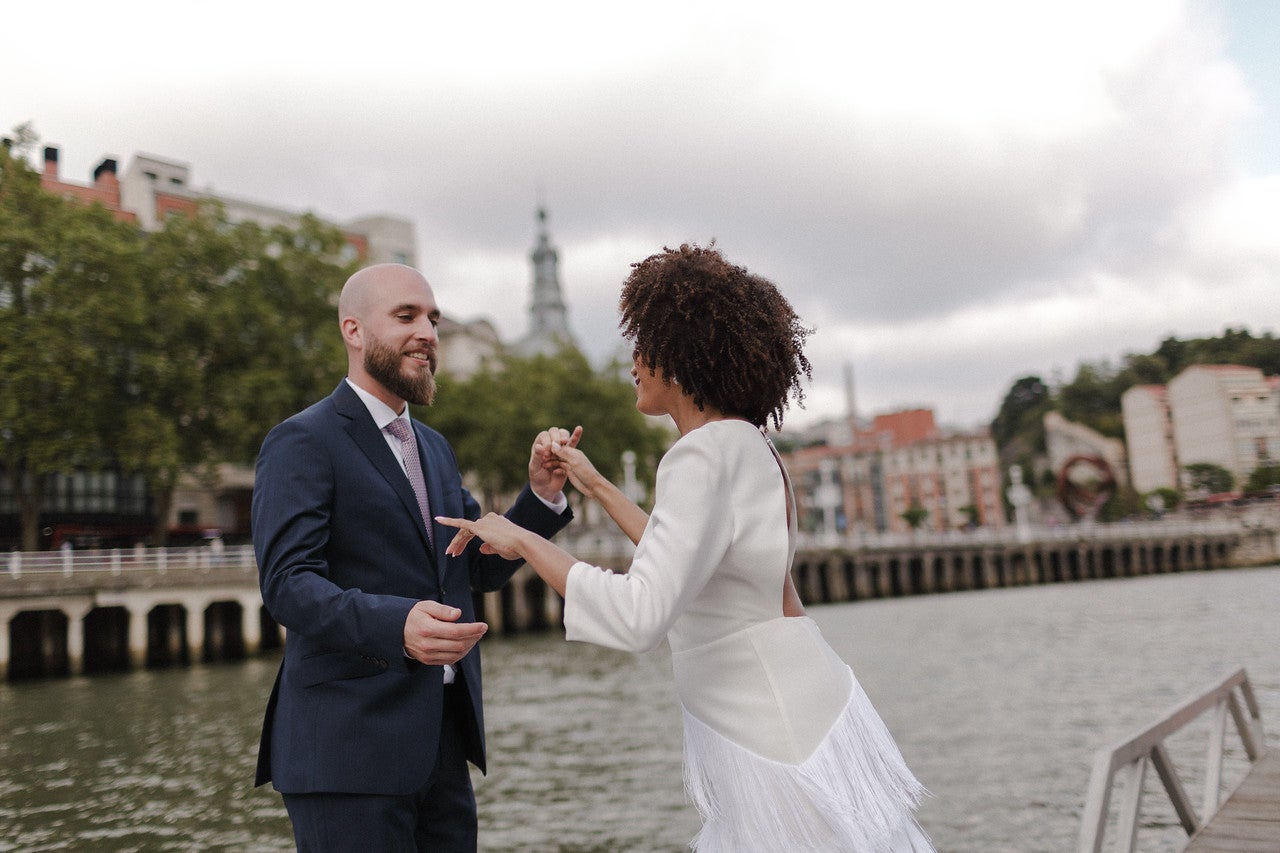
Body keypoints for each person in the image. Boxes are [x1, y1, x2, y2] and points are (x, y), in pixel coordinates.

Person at [438, 244, 933, 851]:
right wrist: (591, 482)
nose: (633, 363)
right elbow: (694, 564)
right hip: (798, 706)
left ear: (677, 358)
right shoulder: (747, 445)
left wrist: (520, 538)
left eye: (643, 346)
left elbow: (639, 616)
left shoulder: (699, 454)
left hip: (766, 729)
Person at [251, 263, 575, 852]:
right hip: (347, 753)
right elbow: (287, 583)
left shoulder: (435, 447)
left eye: (433, 318)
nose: (428, 331)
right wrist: (395, 625)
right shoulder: (302, 440)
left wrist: (542, 496)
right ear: (353, 331)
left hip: (443, 747)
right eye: (406, 317)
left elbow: (473, 565)